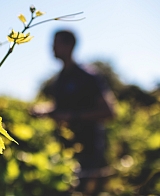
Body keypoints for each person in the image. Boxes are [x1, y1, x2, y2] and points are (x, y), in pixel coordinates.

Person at [31, 30, 115, 195]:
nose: (52, 47)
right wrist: (44, 110)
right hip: (65, 152)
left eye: (56, 43)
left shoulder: (88, 76)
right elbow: (61, 107)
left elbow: (109, 111)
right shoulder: (60, 79)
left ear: (69, 46)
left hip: (88, 151)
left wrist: (73, 117)